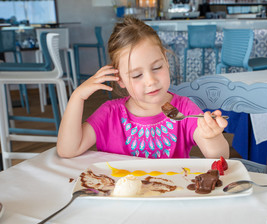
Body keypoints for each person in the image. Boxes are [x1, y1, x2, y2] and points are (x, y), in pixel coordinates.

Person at [57, 16, 229, 159]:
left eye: (157, 68)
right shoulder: (109, 114)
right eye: (137, 75)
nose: (150, 81)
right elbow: (68, 150)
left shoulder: (183, 109)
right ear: (120, 79)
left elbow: (219, 157)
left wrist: (213, 137)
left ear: (166, 62)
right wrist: (77, 96)